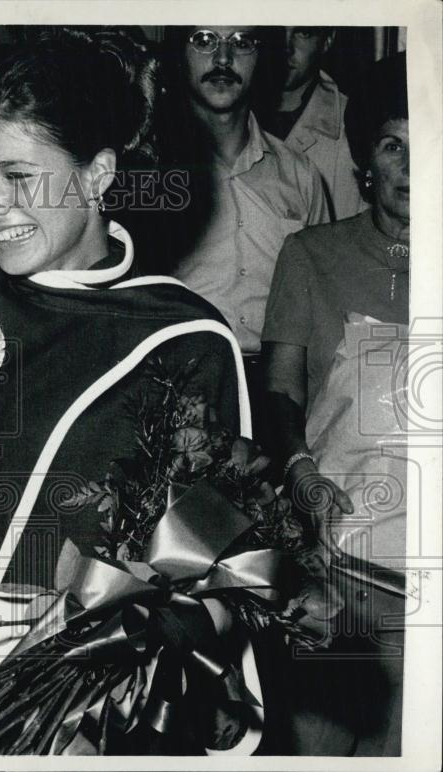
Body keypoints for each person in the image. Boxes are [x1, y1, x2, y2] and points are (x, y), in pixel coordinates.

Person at [0, 29, 248, 595]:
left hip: (71, 673)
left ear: (98, 174)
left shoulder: (183, 337)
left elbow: (207, 579)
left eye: (18, 177)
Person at [262, 52, 409, 755]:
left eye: (429, 146)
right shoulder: (311, 255)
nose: (411, 166)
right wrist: (298, 471)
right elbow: (281, 390)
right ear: (366, 163)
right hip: (337, 566)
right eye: (393, 145)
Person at [162, 26, 330, 446]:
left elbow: (322, 307)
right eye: (203, 40)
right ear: (178, 52)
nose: (223, 58)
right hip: (172, 387)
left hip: (277, 398)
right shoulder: (148, 171)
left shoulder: (300, 174)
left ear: (263, 55)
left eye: (242, 41)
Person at [257, 28, 365, 221]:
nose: (286, 49)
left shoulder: (356, 126)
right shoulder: (223, 118)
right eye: (275, 32)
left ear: (327, 41)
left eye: (303, 34)